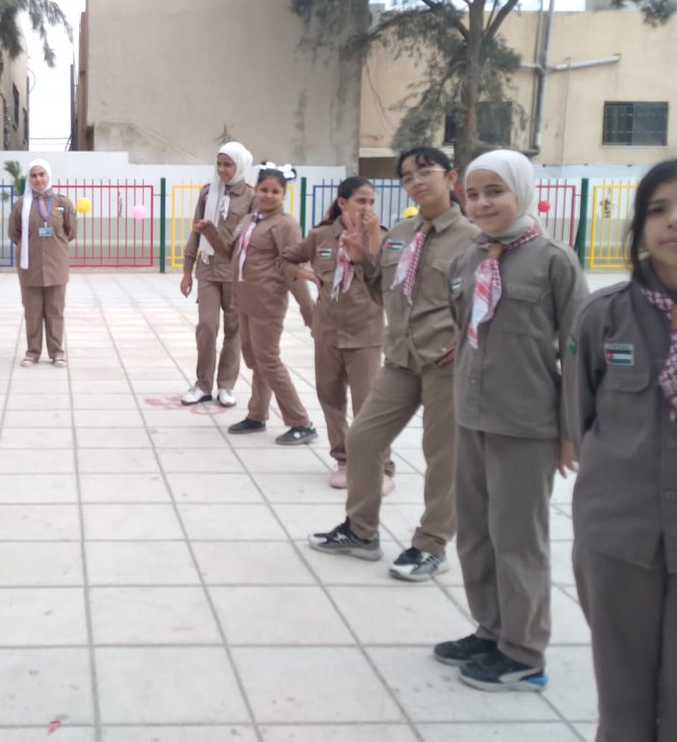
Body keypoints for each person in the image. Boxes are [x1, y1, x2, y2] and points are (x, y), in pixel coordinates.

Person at [432, 150, 587, 693]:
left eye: (494, 190)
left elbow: (577, 350)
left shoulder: (553, 261)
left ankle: (524, 652)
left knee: (518, 539)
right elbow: (463, 331)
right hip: (472, 418)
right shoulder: (467, 260)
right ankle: (491, 629)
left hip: (526, 425)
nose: (481, 202)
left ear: (520, 190)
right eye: (472, 193)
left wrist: (570, 433)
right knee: (475, 532)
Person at [308, 146, 475, 581]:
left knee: (442, 459)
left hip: (446, 363)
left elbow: (491, 299)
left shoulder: (472, 239)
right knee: (363, 438)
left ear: (451, 177)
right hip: (400, 359)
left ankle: (430, 544)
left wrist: (470, 340)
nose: (416, 181)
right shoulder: (400, 232)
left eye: (426, 172)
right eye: (406, 176)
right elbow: (386, 290)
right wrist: (364, 263)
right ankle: (361, 532)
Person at [565, 158, 677, 739]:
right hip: (620, 537)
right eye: (658, 209)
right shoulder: (604, 315)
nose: (675, 221)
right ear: (639, 227)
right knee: (624, 700)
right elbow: (581, 417)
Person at [196, 162, 317, 443]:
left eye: (276, 191)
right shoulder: (251, 220)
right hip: (245, 303)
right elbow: (230, 253)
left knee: (269, 362)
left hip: (268, 305)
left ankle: (301, 422)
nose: (269, 195)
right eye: (264, 189)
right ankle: (257, 415)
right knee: (256, 361)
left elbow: (293, 271)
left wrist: (309, 313)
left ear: (284, 194)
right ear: (257, 190)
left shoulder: (286, 225)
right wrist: (211, 232)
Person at [283, 177, 390, 489]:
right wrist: (307, 276)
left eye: (371, 202)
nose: (368, 208)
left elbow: (389, 279)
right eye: (361, 201)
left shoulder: (381, 238)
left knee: (367, 403)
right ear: (342, 203)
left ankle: (381, 466)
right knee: (330, 397)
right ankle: (343, 460)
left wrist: (370, 244)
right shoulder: (320, 236)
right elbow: (285, 260)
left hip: (365, 333)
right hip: (327, 330)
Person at [180, 140, 254, 408]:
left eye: (228, 164)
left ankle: (226, 385)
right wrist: (187, 271)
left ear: (240, 166)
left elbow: (252, 240)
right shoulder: (207, 192)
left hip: (236, 275)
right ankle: (202, 384)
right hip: (208, 270)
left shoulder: (252, 197)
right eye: (219, 163)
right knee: (207, 327)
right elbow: (196, 232)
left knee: (234, 330)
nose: (222, 169)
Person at [8, 159, 77, 367]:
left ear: (48, 176)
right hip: (30, 267)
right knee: (32, 312)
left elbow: (71, 231)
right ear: (30, 179)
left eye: (42, 174)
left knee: (55, 311)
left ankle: (57, 352)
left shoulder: (63, 203)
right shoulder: (21, 204)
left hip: (56, 266)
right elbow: (14, 233)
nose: (38, 179)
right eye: (34, 175)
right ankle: (33, 352)